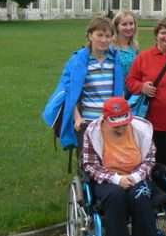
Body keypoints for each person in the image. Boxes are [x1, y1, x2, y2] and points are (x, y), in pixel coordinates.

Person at [82, 97, 162, 236]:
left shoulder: (142, 129)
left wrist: (134, 177)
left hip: (137, 176)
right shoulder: (93, 131)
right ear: (105, 118)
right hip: (108, 180)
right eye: (116, 125)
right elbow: (90, 165)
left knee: (141, 197)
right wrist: (117, 179)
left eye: (124, 124)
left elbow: (149, 160)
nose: (121, 128)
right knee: (115, 197)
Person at [126, 18, 166, 196]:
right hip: (151, 123)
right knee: (151, 165)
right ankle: (154, 202)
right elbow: (130, 81)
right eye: (163, 32)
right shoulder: (144, 57)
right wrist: (142, 87)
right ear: (157, 36)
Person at [43, 17, 125, 150]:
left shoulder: (114, 60)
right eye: (100, 35)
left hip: (111, 121)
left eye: (108, 36)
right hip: (87, 123)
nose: (104, 40)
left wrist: (120, 116)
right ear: (89, 35)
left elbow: (119, 91)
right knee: (87, 165)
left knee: (111, 163)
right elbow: (70, 92)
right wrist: (77, 118)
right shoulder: (78, 60)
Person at [112, 11, 139, 90]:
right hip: (116, 93)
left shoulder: (134, 47)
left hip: (132, 93)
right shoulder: (111, 47)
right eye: (124, 24)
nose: (129, 27)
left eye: (131, 24)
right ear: (117, 27)